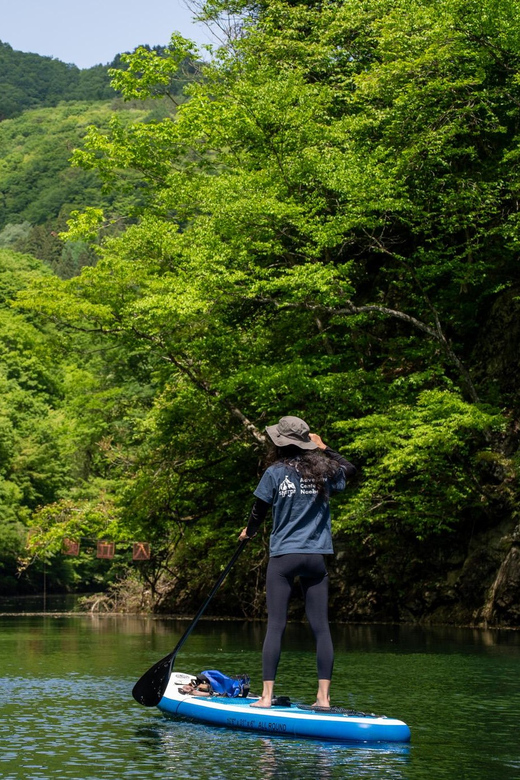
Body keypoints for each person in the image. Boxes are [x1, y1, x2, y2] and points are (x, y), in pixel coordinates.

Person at [239, 415, 356, 709]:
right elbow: (350, 470)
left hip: (284, 558)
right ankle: (323, 699)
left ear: (281, 442)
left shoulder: (275, 472)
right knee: (321, 627)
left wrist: (249, 533)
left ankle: (265, 697)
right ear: (306, 443)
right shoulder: (325, 470)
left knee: (276, 624)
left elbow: (258, 510)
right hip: (316, 558)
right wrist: (325, 448)